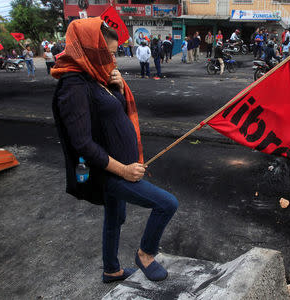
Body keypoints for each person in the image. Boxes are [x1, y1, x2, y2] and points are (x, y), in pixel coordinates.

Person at [51, 18, 178, 284]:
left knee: (115, 217)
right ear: (88, 49)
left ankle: (111, 270)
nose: (113, 59)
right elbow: (82, 144)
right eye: (107, 53)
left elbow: (110, 113)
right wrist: (124, 170)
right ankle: (145, 254)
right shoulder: (73, 86)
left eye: (113, 53)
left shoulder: (94, 77)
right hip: (109, 173)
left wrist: (117, 89)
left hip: (121, 166)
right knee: (167, 204)